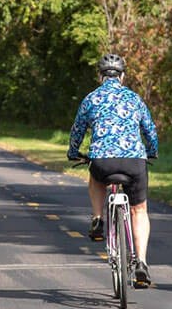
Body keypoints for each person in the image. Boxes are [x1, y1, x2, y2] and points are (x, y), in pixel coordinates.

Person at [67, 54, 159, 287]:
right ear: (122, 76)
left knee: (95, 176)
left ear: (100, 76)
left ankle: (98, 219)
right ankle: (141, 263)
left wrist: (73, 151)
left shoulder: (91, 98)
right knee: (139, 210)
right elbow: (149, 129)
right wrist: (152, 151)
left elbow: (77, 129)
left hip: (102, 161)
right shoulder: (135, 99)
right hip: (134, 163)